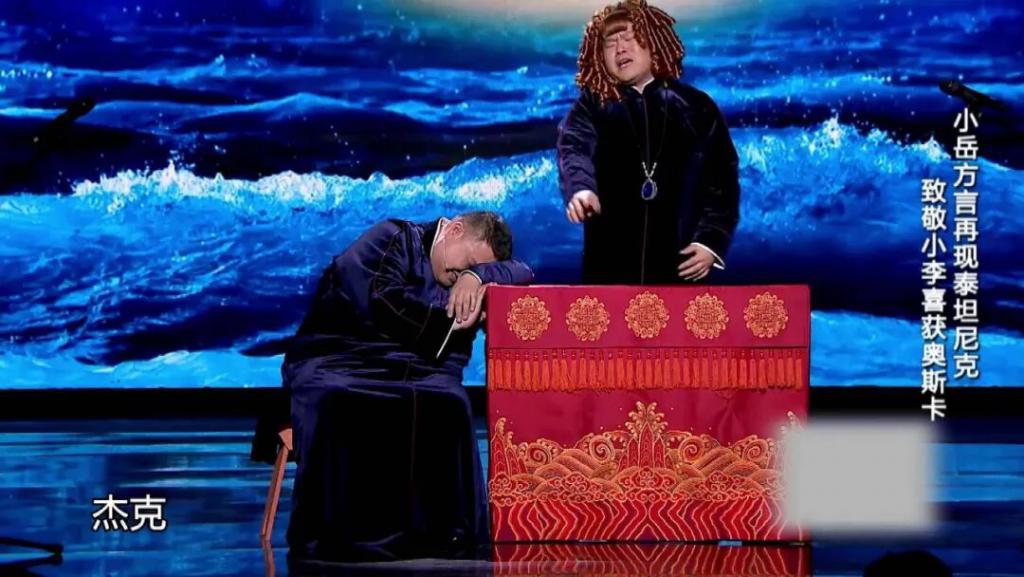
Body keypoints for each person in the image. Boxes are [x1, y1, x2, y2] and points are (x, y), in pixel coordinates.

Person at [282, 211, 533, 561]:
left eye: (473, 269)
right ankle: (345, 537)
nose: (461, 273)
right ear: (454, 230)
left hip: (416, 367)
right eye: (468, 263)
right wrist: (447, 323)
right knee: (340, 401)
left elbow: (523, 271)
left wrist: (477, 276)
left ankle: (440, 534)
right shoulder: (392, 238)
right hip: (340, 358)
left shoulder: (467, 274)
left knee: (450, 403)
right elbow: (380, 299)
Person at [557, 0, 741, 285]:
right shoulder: (593, 106)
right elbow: (573, 146)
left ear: (653, 42)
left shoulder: (697, 107)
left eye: (629, 38)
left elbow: (722, 179)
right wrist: (581, 188)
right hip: (608, 273)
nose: (620, 49)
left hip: (679, 271)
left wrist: (710, 241)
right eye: (609, 44)